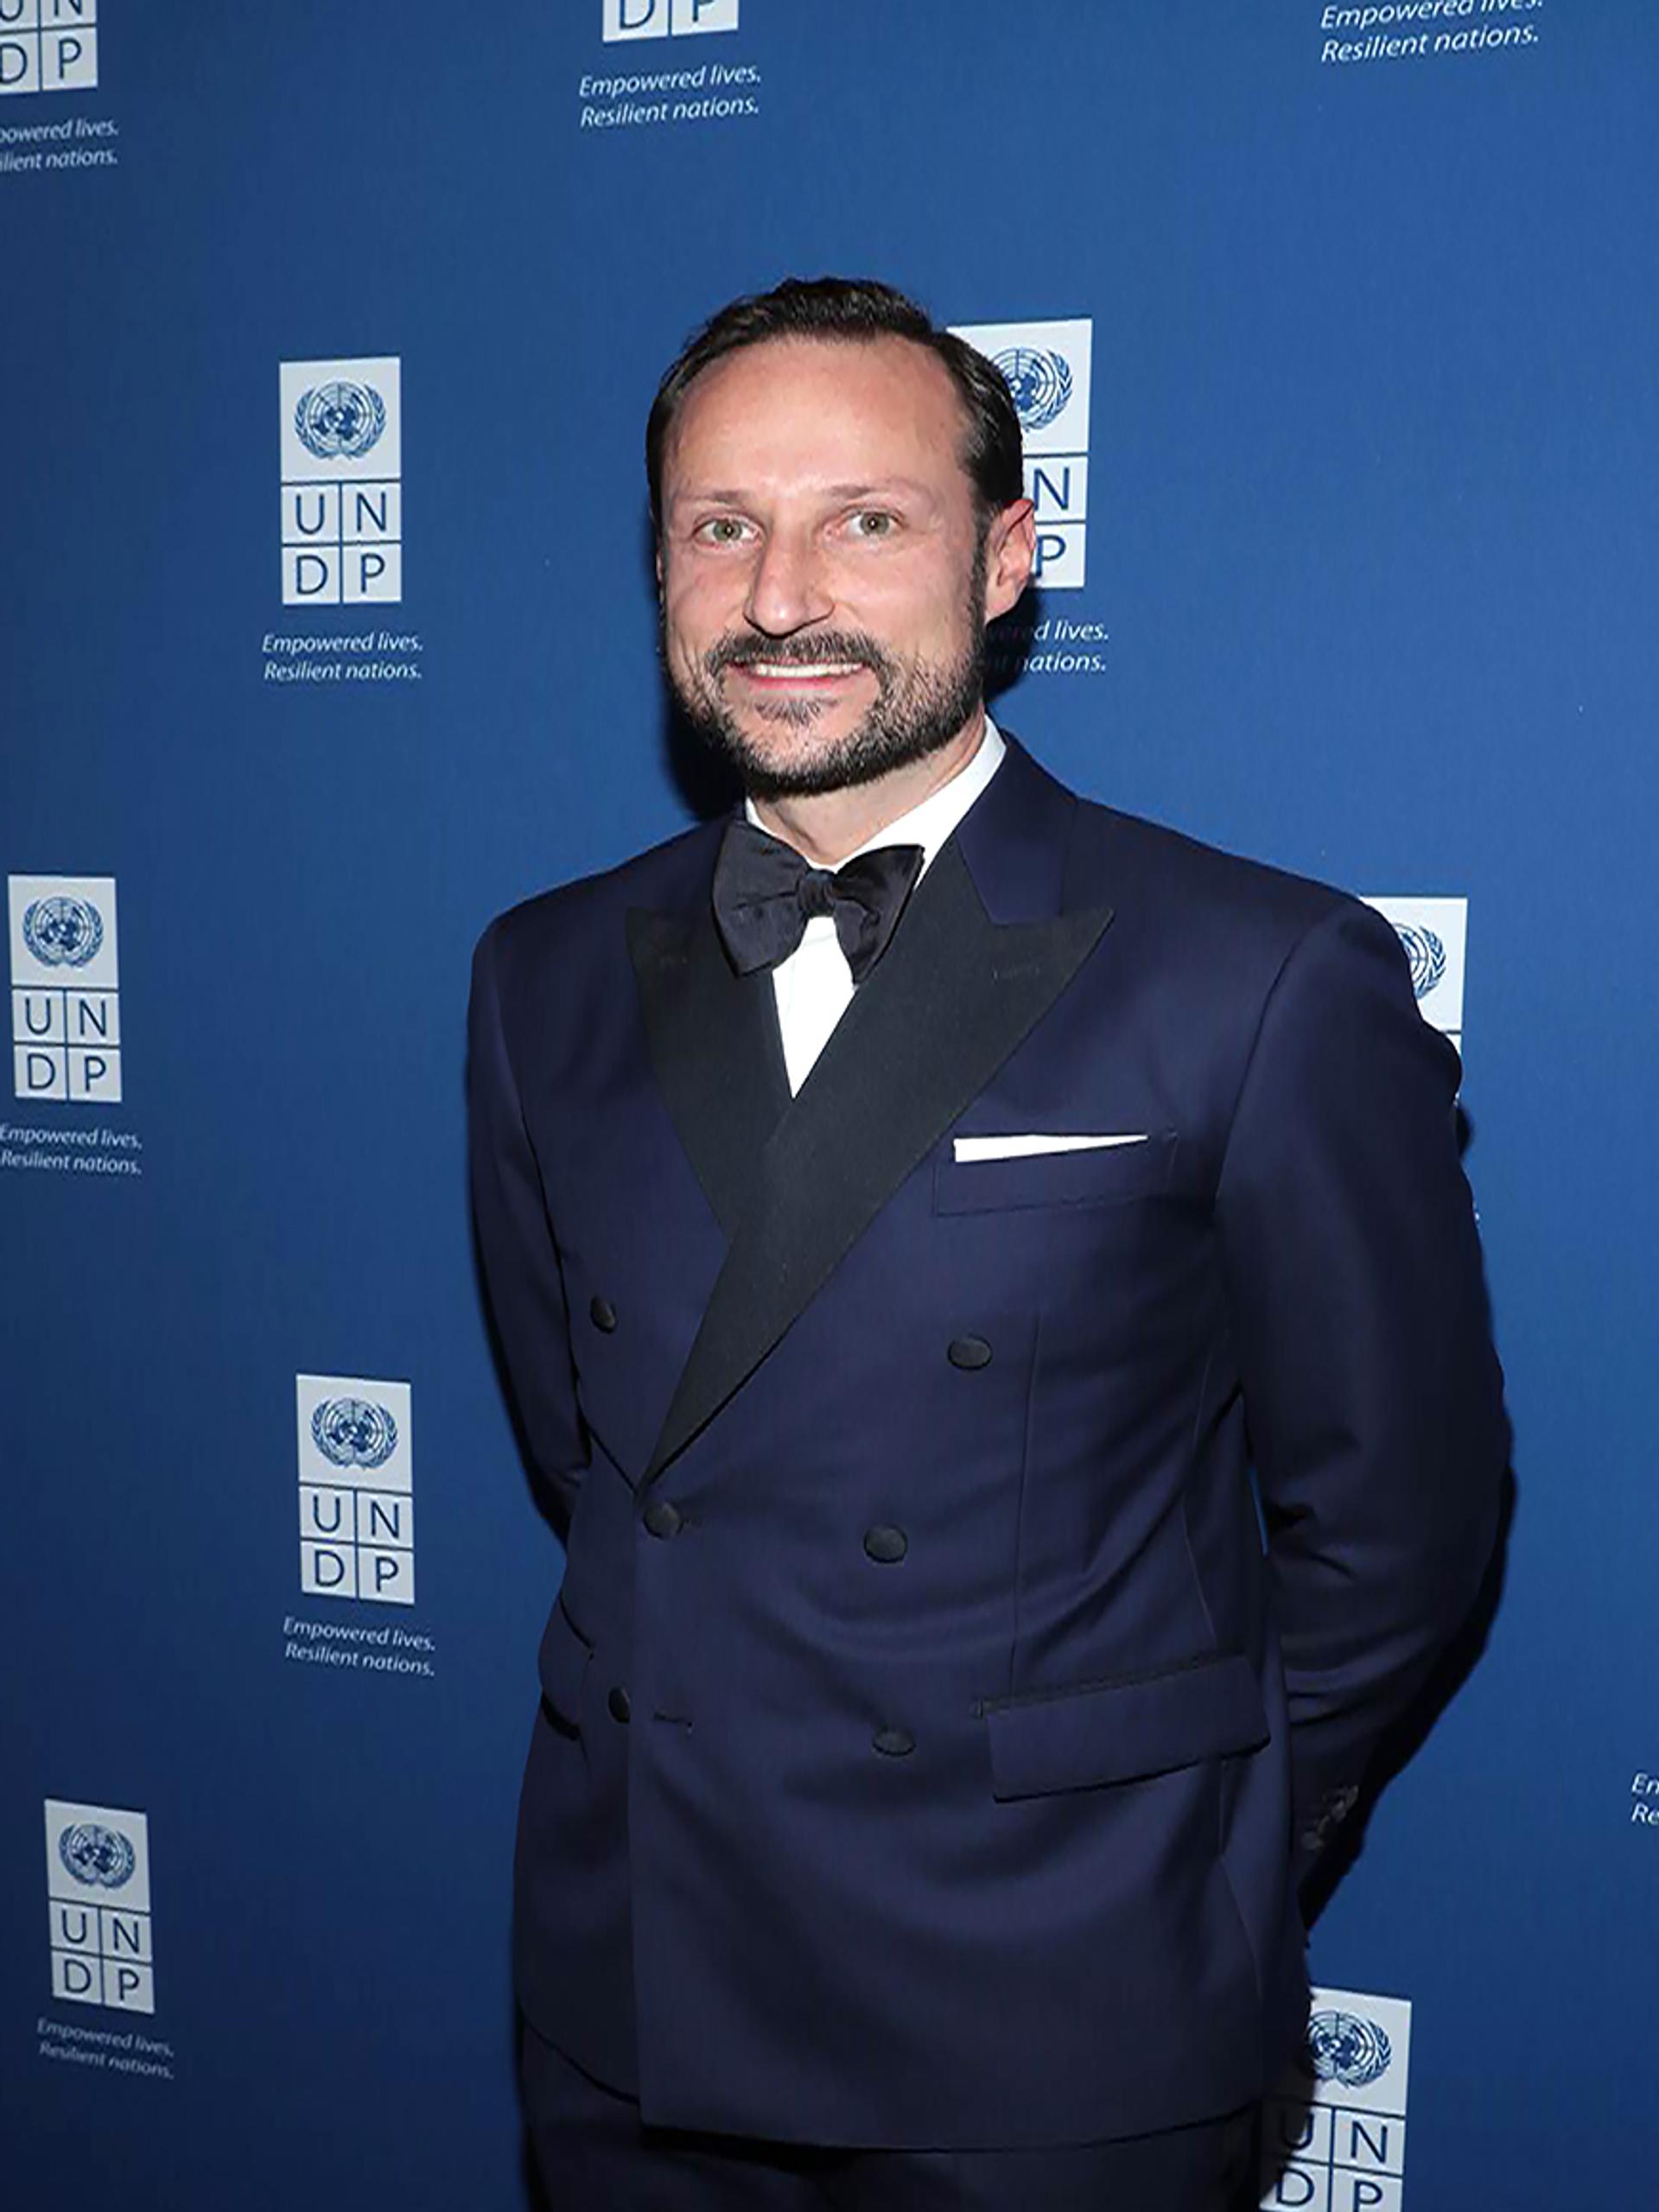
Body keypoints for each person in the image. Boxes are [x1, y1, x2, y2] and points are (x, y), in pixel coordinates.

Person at [467, 276, 1508, 2210]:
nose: (781, 597)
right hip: (639, 1995)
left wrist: (1194, 1834)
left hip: (1062, 2008)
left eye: (866, 518)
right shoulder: (543, 973)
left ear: (1007, 558)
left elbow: (1403, 1519)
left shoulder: (1257, 971)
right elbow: (583, 1442)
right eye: (720, 527)